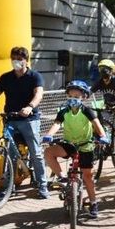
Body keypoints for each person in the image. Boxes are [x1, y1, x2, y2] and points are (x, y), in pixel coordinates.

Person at [0, 46, 49, 199]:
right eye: (13, 59)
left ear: (26, 61)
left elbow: (39, 94)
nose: (16, 62)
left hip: (29, 119)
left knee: (36, 153)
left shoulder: (34, 76)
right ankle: (9, 187)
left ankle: (42, 186)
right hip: (10, 119)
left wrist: (30, 107)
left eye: (19, 59)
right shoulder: (5, 77)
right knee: (9, 154)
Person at [43, 81, 108, 218]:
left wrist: (102, 136)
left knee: (87, 176)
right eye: (71, 96)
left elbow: (96, 124)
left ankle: (93, 202)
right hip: (69, 144)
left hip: (85, 145)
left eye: (77, 96)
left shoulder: (87, 111)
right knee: (48, 152)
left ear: (83, 97)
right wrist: (49, 134)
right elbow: (56, 124)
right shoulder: (63, 112)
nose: (73, 99)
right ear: (67, 96)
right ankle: (62, 178)